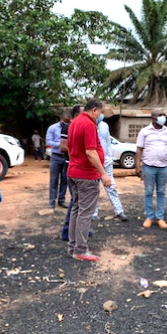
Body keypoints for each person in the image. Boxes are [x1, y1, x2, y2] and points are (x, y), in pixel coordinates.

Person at [67, 99, 111, 261]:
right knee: (85, 213)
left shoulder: (75, 122)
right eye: (101, 112)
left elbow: (71, 148)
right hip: (86, 175)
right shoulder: (88, 125)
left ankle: (73, 247)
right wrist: (103, 174)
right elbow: (91, 152)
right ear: (94, 110)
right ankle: (80, 250)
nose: (101, 115)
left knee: (77, 210)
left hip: (74, 171)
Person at [135, 109, 167, 230]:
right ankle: (149, 216)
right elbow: (139, 149)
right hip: (148, 166)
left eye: (164, 115)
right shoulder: (144, 132)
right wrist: (138, 166)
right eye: (160, 115)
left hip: (163, 167)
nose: (163, 117)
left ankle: (160, 217)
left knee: (161, 192)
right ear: (153, 118)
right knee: (148, 191)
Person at [92, 119, 128, 221]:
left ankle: (119, 211)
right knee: (94, 188)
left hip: (106, 161)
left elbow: (107, 143)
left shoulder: (104, 126)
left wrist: (109, 158)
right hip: (94, 162)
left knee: (111, 186)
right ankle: (94, 213)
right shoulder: (88, 126)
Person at [60, 104, 84, 241]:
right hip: (71, 167)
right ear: (76, 115)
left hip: (79, 168)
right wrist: (77, 154)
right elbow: (62, 146)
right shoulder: (68, 126)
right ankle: (67, 231)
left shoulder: (82, 126)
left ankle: (78, 229)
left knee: (80, 201)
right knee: (76, 200)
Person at [46, 111, 71, 209]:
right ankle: (52, 202)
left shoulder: (70, 127)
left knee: (65, 180)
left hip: (66, 157)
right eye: (64, 122)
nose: (65, 124)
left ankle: (61, 200)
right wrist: (60, 145)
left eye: (67, 122)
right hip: (56, 156)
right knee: (54, 180)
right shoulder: (53, 128)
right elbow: (48, 141)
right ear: (61, 119)